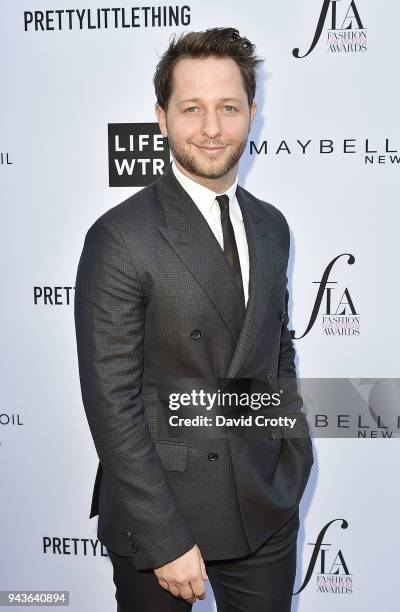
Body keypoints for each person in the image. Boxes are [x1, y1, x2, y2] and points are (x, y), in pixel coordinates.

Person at [74, 27, 314, 612]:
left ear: (252, 114)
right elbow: (112, 399)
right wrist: (165, 536)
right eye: (192, 109)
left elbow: (276, 349)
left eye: (228, 108)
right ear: (162, 118)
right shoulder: (120, 236)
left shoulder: (272, 225)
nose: (211, 128)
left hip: (265, 508)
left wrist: (292, 449)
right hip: (164, 515)